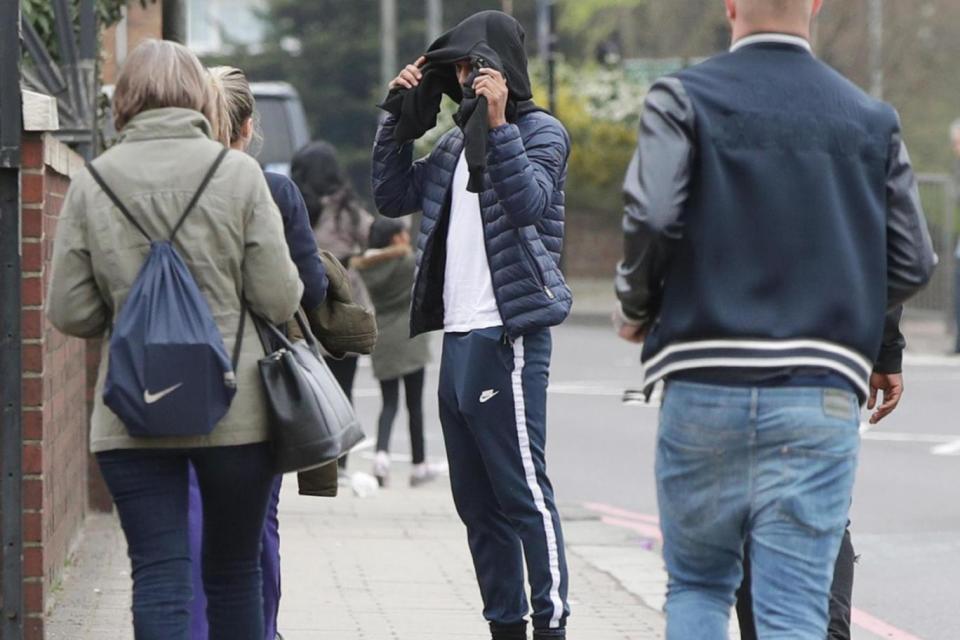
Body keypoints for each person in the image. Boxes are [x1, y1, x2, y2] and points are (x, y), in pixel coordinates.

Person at [613, 1, 937, 638]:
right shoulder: (871, 121)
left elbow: (651, 216)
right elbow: (913, 261)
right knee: (794, 607)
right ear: (816, 4)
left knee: (701, 585)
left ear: (730, 5)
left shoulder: (679, 99)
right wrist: (851, 314)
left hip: (703, 380)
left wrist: (637, 305)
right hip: (818, 390)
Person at [46, 40, 303, 640]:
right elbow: (279, 297)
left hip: (132, 413)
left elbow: (70, 310)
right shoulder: (238, 175)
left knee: (158, 576)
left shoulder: (94, 183)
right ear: (197, 97)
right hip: (237, 414)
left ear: (125, 101)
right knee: (236, 572)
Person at [372, 11, 573, 640]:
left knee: (521, 494)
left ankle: (552, 623)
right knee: (477, 506)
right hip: (457, 338)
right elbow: (391, 195)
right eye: (458, 69)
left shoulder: (541, 133)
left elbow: (527, 204)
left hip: (507, 336)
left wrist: (500, 123)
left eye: (475, 65)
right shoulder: (455, 145)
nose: (466, 78)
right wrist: (400, 118)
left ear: (506, 69)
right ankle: (505, 627)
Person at [183, 65, 330, 640]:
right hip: (255, 384)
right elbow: (307, 292)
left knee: (189, 521)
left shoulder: (161, 182)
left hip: (169, 376)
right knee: (253, 530)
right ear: (247, 128)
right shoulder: (273, 190)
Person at [291, 140, 374, 472]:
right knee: (344, 389)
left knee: (310, 389)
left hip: (305, 310)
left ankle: (314, 458)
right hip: (345, 310)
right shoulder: (348, 209)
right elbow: (372, 236)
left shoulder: (295, 206)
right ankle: (339, 461)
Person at [352, 217, 435, 487]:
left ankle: (381, 458)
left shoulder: (367, 268)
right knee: (414, 405)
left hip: (383, 336)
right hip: (410, 337)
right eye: (402, 233)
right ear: (394, 238)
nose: (406, 236)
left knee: (388, 403)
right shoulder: (407, 262)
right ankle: (419, 465)